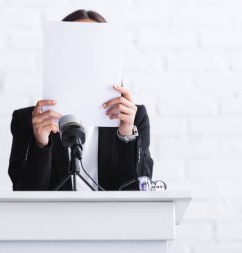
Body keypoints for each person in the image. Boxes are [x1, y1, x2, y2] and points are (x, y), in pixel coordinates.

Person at [8, 9, 153, 191]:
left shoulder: (134, 118)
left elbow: (140, 192)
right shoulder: (28, 120)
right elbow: (22, 196)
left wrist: (126, 135)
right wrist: (41, 144)